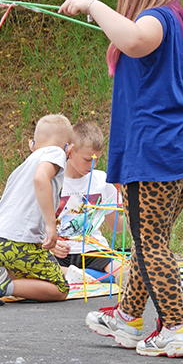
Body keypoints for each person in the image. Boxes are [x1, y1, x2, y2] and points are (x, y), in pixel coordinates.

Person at [58, 0, 183, 358]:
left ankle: (177, 330)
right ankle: (127, 319)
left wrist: (91, 3)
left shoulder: (156, 19)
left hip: (159, 148)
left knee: (149, 242)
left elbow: (133, 40)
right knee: (152, 239)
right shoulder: (180, 20)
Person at [0, 114, 73, 305]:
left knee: (30, 277)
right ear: (68, 148)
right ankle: (3, 286)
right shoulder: (56, 153)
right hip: (18, 243)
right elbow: (41, 178)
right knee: (60, 288)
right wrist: (50, 225)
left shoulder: (24, 165)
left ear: (32, 144)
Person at [53, 121, 124, 283]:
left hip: (93, 250)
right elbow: (34, 223)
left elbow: (116, 227)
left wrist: (137, 215)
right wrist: (48, 243)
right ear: (70, 152)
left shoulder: (102, 181)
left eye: (97, 159)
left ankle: (81, 277)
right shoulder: (52, 179)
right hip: (57, 251)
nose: (93, 165)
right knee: (36, 269)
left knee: (124, 269)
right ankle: (81, 276)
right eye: (87, 159)